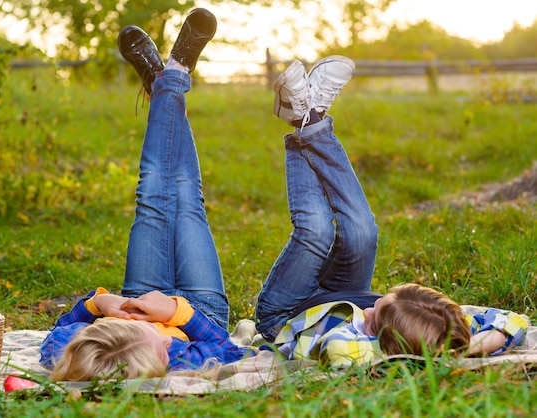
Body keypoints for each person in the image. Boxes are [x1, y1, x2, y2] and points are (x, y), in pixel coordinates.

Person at [254, 57, 529, 367]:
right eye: (380, 304)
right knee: (363, 230)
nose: (367, 312)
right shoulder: (425, 328)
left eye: (372, 321)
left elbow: (338, 352)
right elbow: (515, 322)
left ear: (388, 348)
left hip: (287, 312)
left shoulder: (350, 346)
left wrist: (425, 357)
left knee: (315, 230)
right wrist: (460, 349)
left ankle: (309, 118)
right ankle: (306, 116)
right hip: (344, 295)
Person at [39, 8, 254, 381]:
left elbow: (53, 342)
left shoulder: (84, 353)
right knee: (187, 199)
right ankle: (170, 79)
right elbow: (227, 350)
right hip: (200, 307)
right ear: (159, 361)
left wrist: (100, 303)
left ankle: (168, 79)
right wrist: (175, 314)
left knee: (152, 192)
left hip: (139, 289)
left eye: (142, 329)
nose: (158, 334)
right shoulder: (179, 358)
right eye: (160, 344)